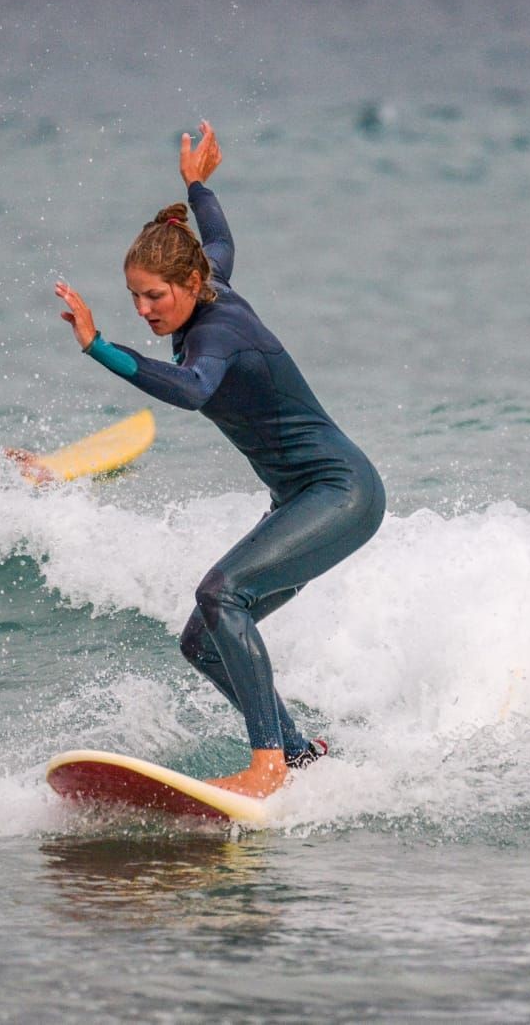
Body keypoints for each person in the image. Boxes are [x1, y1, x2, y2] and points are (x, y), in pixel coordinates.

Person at [54, 122, 385, 798]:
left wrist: (99, 346)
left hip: (340, 492)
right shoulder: (213, 285)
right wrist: (197, 183)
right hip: (301, 500)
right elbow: (223, 240)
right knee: (203, 641)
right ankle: (298, 753)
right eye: (135, 299)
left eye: (155, 296)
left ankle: (267, 765)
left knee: (220, 593)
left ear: (191, 282)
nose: (145, 309)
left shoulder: (218, 333)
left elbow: (193, 391)